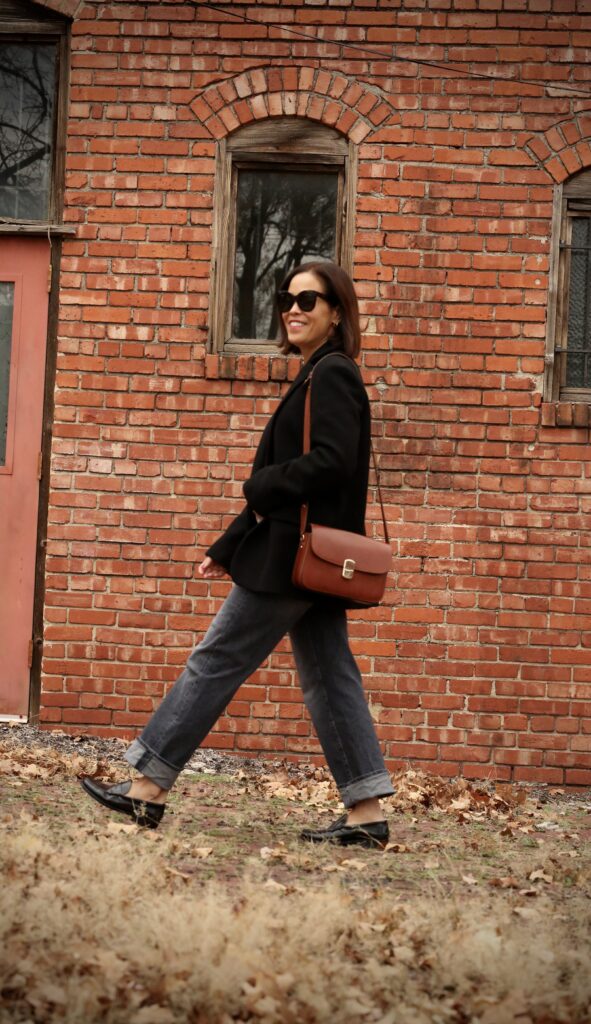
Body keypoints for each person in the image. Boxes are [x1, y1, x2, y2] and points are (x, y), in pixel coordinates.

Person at [82, 261, 394, 848]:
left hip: (292, 564)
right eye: (287, 298)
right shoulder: (316, 372)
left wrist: (260, 484)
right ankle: (367, 812)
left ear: (336, 313)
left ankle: (148, 786)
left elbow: (331, 463)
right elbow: (289, 488)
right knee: (330, 678)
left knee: (216, 659)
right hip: (306, 558)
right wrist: (229, 543)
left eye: (309, 300)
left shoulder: (333, 374)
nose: (293, 308)